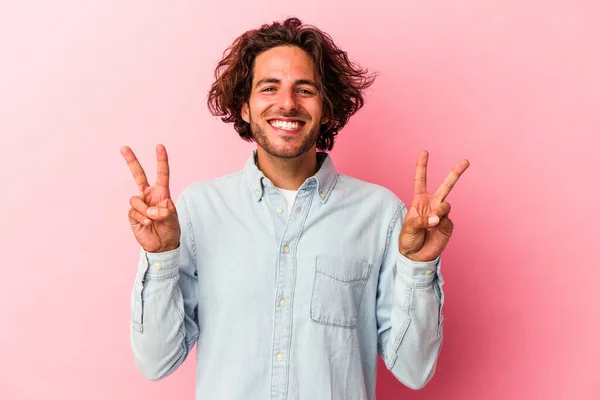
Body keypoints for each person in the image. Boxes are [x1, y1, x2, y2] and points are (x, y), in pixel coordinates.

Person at [121, 17, 469, 400]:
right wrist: (160, 257)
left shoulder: (382, 215)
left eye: (304, 89)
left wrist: (419, 268)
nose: (287, 102)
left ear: (327, 109)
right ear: (245, 109)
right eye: (269, 87)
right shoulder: (196, 210)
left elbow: (415, 371)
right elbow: (157, 362)